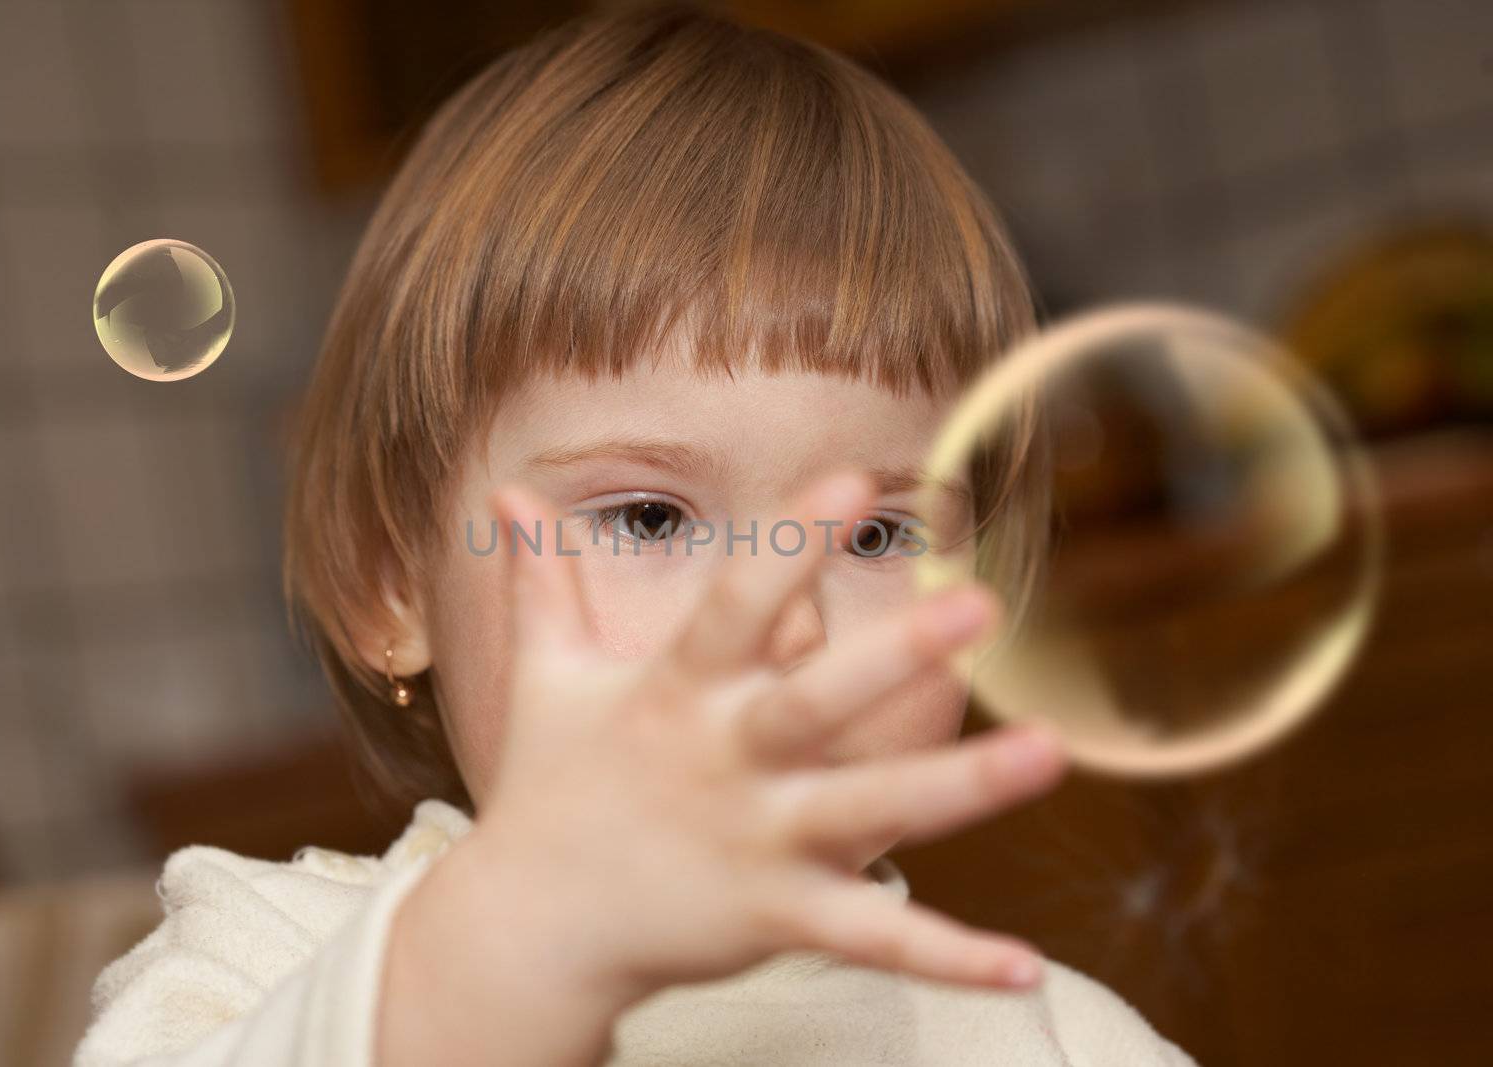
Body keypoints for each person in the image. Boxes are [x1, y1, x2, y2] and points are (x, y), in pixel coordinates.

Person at [74, 6, 1197, 1064]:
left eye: (871, 536)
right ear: (391, 581)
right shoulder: (263, 957)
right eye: (649, 515)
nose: (788, 623)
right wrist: (501, 958)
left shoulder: (1048, 1034)